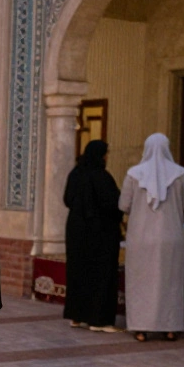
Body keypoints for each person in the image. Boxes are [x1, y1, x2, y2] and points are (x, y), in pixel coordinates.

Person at [120, 133, 184, 342]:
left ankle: (141, 328)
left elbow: (123, 205)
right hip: (171, 237)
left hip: (141, 238)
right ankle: (170, 328)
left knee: (141, 282)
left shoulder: (134, 174)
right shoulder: (180, 174)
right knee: (169, 282)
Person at [62, 140, 122, 332]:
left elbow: (67, 199)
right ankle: (99, 320)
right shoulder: (101, 176)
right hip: (100, 233)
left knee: (79, 271)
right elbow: (113, 204)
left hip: (77, 231)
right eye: (105, 154)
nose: (106, 157)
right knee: (100, 274)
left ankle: (77, 316)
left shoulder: (76, 174)